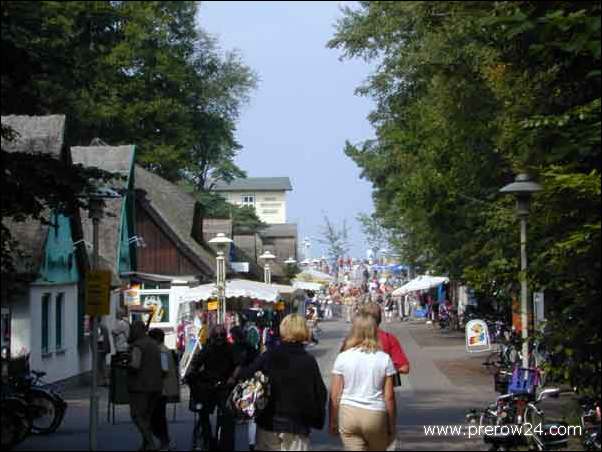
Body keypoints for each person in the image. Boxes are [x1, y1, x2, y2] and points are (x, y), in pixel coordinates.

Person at [238, 314, 327, 451]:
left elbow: (246, 375)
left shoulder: (269, 355)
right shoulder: (308, 361)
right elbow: (320, 393)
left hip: (268, 422)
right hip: (297, 425)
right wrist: (315, 420)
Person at [329, 313, 397, 451]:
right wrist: (391, 424)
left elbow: (335, 395)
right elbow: (389, 396)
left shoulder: (342, 357)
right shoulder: (384, 359)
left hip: (348, 413)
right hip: (375, 413)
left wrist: (334, 420)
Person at [185, 325, 236, 451]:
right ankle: (207, 438)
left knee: (226, 415)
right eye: (216, 335)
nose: (219, 338)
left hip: (224, 386)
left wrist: (232, 378)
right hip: (208, 386)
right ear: (212, 337)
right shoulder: (207, 349)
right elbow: (195, 364)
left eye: (221, 335)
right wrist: (191, 374)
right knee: (203, 413)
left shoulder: (230, 348)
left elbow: (238, 364)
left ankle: (225, 442)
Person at [128, 320, 164, 451]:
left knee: (137, 415)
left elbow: (135, 365)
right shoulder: (155, 345)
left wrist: (127, 365)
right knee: (147, 416)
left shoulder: (138, 346)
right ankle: (146, 444)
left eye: (132, 329)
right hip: (156, 386)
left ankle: (150, 443)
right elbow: (163, 367)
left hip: (140, 387)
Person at [149, 328, 179, 451]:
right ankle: (164, 441)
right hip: (162, 388)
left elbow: (164, 369)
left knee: (157, 417)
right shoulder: (164, 350)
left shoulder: (161, 351)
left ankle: (164, 441)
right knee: (158, 416)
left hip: (161, 389)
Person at [361, 303, 410, 376]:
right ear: (380, 319)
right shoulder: (388, 338)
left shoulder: (353, 339)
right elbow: (404, 368)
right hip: (384, 383)